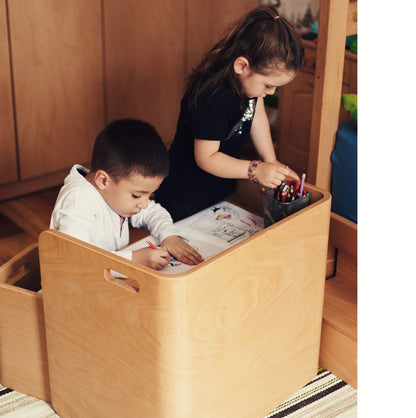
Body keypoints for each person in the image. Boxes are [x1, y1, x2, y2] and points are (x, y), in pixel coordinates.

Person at [155, 6, 303, 221]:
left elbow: (256, 114)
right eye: (268, 85)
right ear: (242, 66)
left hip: (218, 187)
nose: (271, 93)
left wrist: (271, 161)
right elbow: (207, 157)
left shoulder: (250, 87)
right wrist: (255, 170)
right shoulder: (212, 96)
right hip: (185, 194)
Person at [50, 118, 203, 270]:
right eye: (137, 195)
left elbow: (152, 211)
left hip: (104, 279)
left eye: (149, 195)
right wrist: (134, 259)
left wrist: (169, 236)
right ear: (103, 180)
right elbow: (76, 259)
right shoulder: (79, 201)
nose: (144, 204)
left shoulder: (115, 193)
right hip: (76, 286)